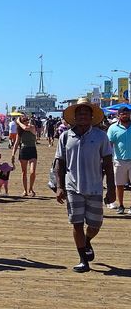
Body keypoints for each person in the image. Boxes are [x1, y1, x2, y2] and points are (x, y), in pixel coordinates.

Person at [55, 98, 114, 273]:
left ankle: (87, 240)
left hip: (95, 186)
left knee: (95, 225)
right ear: (74, 116)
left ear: (91, 116)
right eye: (79, 113)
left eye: (86, 113)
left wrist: (111, 189)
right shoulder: (66, 136)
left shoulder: (101, 136)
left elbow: (108, 164)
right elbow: (59, 163)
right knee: (77, 223)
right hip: (73, 186)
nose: (82, 116)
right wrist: (59, 186)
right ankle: (82, 259)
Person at [106, 106, 131, 215]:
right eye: (123, 114)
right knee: (119, 185)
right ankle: (121, 205)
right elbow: (109, 144)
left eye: (127, 113)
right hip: (119, 160)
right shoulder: (113, 128)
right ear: (118, 115)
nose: (125, 115)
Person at [12, 114, 39, 197]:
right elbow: (16, 143)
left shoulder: (32, 127)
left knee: (32, 172)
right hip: (23, 150)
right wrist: (13, 154)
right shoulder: (20, 131)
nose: (27, 121)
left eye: (27, 120)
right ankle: (25, 190)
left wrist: (18, 122)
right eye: (24, 120)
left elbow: (25, 128)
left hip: (32, 150)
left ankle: (31, 188)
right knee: (24, 172)